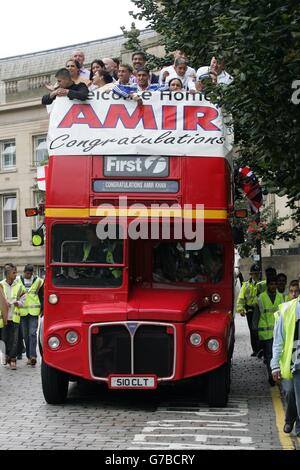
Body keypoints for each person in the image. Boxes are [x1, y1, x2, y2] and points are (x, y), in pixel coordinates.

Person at [271, 275, 300, 436]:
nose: (294, 293)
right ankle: (290, 419)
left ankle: (298, 425)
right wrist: (275, 364)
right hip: (289, 361)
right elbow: (278, 340)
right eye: (292, 291)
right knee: (290, 392)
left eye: (297, 291)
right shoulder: (286, 309)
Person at [253, 276, 284, 385]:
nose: (273, 286)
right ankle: (271, 376)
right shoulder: (261, 298)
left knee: (278, 353)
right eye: (271, 284)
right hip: (266, 332)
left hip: (279, 331)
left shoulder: (281, 297)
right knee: (269, 355)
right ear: (268, 285)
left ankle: (276, 373)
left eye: (275, 284)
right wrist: (255, 328)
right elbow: (256, 314)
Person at [0, 264, 26, 370]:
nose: (16, 274)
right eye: (14, 272)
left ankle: (13, 360)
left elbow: (24, 298)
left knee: (15, 339)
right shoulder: (1, 285)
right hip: (3, 318)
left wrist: (18, 303)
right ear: (7, 274)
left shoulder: (19, 285)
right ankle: (6, 356)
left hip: (15, 317)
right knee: (4, 338)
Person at [19, 265, 44, 367]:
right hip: (22, 312)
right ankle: (29, 357)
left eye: (30, 273)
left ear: (32, 273)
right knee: (25, 335)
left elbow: (42, 296)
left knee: (32, 333)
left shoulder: (39, 281)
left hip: (34, 311)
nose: (29, 275)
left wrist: (43, 309)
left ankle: (33, 356)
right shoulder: (18, 281)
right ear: (24, 272)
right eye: (27, 273)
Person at [236, 264, 261, 356]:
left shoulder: (262, 284)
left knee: (260, 330)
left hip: (260, 310)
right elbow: (241, 298)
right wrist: (241, 309)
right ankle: (255, 349)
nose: (256, 275)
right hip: (250, 310)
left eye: (258, 273)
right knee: (252, 330)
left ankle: (260, 349)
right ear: (251, 274)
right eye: (255, 273)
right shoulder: (246, 285)